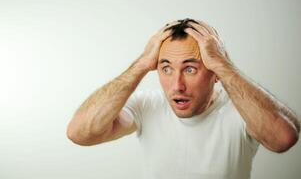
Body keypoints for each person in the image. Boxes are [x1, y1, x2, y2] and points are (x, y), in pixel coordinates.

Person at [66, 18, 300, 179]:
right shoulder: (147, 105)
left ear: (215, 72)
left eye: (190, 69)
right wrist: (140, 64)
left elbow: (284, 138)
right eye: (166, 68)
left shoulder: (241, 109)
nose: (177, 86)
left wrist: (222, 64)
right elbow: (80, 133)